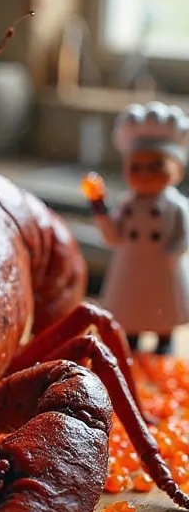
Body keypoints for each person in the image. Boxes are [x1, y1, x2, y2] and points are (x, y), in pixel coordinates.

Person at [85, 101, 189, 354]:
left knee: (164, 314)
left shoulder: (176, 206)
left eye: (155, 166)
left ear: (177, 170)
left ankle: (164, 346)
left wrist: (172, 253)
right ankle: (131, 348)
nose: (144, 174)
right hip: (130, 269)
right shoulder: (127, 204)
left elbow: (184, 235)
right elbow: (113, 236)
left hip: (164, 270)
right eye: (136, 167)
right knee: (131, 313)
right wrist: (99, 208)